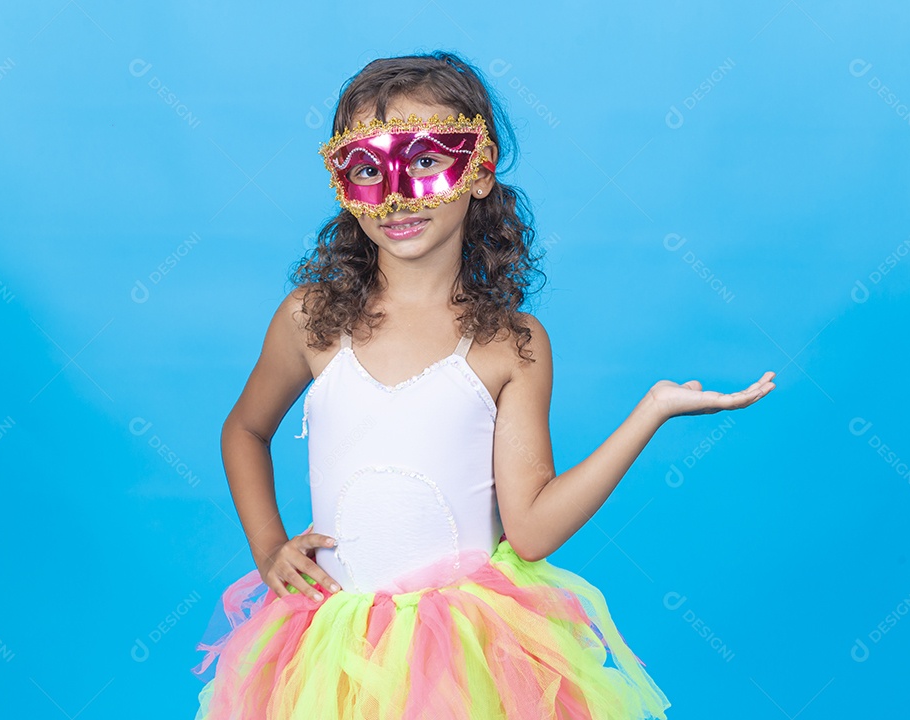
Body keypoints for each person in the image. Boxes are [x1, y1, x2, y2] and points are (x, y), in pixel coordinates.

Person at [190, 51, 775, 720]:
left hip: (467, 661)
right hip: (334, 657)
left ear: (480, 168)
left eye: (427, 160)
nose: (400, 193)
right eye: (369, 169)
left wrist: (652, 411)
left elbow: (529, 531)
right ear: (345, 183)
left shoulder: (510, 343)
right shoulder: (312, 320)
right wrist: (269, 549)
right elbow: (245, 429)